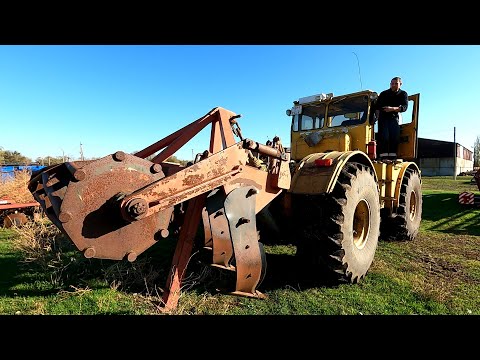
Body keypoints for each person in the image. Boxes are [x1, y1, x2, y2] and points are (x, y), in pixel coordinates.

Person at [373, 76, 408, 161]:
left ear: (400, 84)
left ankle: (392, 157)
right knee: (384, 137)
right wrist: (376, 117)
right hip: (383, 118)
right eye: (392, 83)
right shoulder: (383, 94)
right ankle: (383, 157)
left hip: (394, 118)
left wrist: (392, 109)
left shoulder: (403, 94)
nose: (393, 85)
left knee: (394, 137)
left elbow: (404, 107)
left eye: (396, 83)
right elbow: (377, 107)